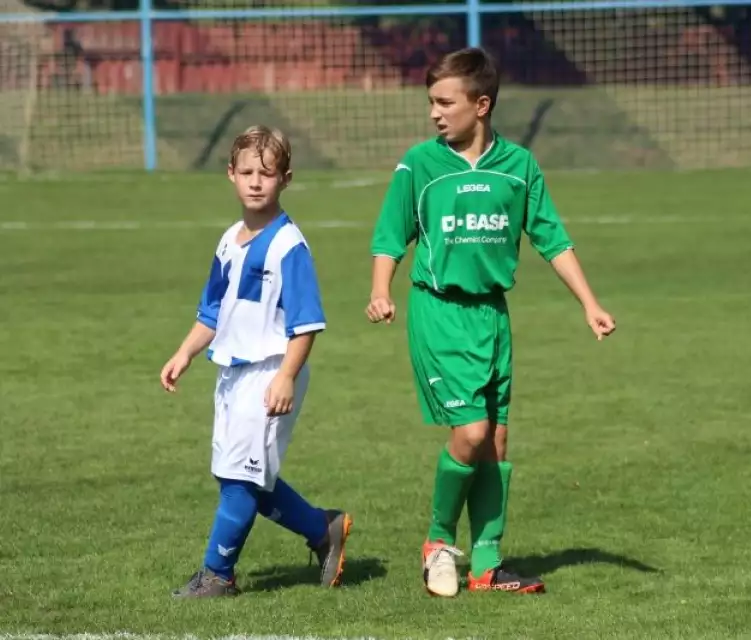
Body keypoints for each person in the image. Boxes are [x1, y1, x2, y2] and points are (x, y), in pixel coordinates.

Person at [365, 47, 616, 597]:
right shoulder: (420, 164)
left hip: (493, 317)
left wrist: (589, 303)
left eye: (444, 102)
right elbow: (390, 235)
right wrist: (380, 290)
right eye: (431, 101)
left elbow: (552, 238)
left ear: (481, 105)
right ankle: (437, 543)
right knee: (471, 432)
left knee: (497, 441)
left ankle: (487, 563)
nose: (434, 112)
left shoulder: (519, 167)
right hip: (440, 312)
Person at [160, 125, 352, 598]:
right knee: (241, 475)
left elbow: (306, 323)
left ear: (285, 179)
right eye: (246, 171)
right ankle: (322, 528)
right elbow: (212, 310)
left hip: (269, 371)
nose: (255, 182)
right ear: (230, 174)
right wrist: (184, 352)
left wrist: (286, 375)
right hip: (232, 372)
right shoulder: (229, 241)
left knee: (241, 482)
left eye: (266, 173)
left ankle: (217, 575)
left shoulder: (290, 247)